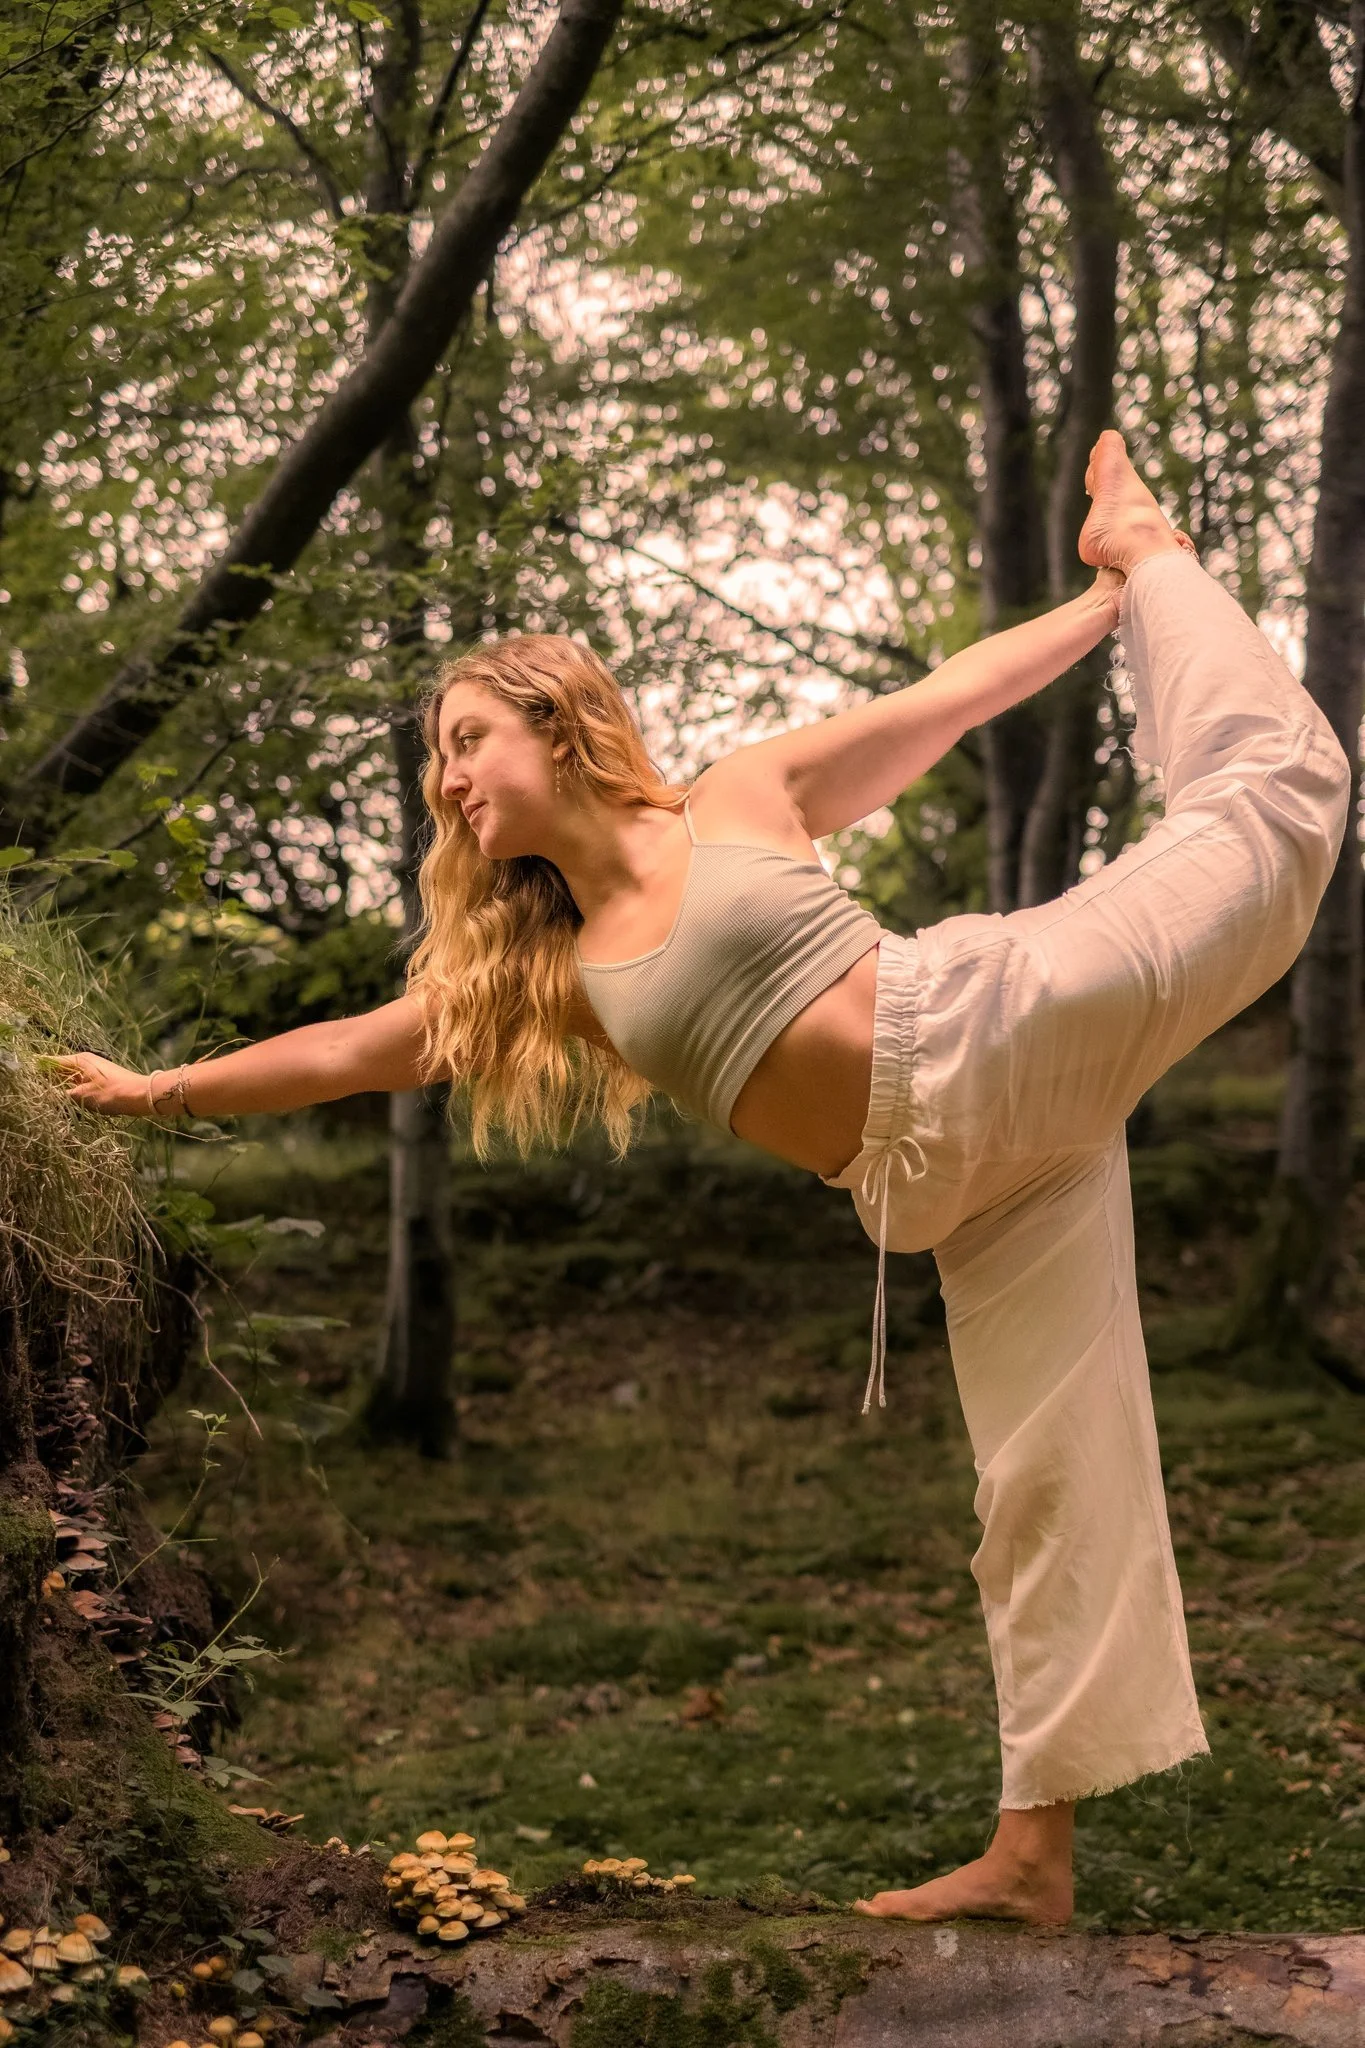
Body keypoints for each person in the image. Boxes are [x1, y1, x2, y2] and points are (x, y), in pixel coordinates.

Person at [59, 433, 1350, 1926]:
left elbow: (945, 701)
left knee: (1274, 798)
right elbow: (355, 1049)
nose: (448, 775)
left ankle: (1160, 551)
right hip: (957, 1188)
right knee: (1044, 1485)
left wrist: (1119, 597)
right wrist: (160, 1091)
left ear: (558, 718)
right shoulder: (552, 975)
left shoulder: (736, 801)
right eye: (437, 757)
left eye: (469, 736)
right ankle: (1034, 1857)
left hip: (993, 1028)